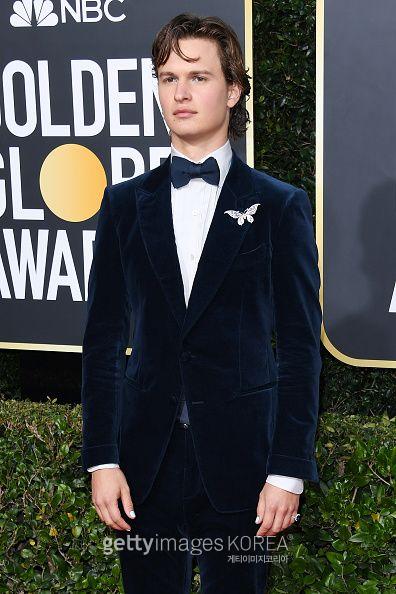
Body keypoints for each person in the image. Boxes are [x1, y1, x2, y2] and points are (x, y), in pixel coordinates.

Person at [81, 12, 322, 594]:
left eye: (198, 76)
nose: (180, 92)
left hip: (243, 465)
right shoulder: (122, 204)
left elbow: (298, 348)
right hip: (143, 466)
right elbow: (103, 341)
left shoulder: (280, 205)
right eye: (167, 78)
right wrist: (101, 459)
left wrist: (288, 471)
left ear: (233, 89)